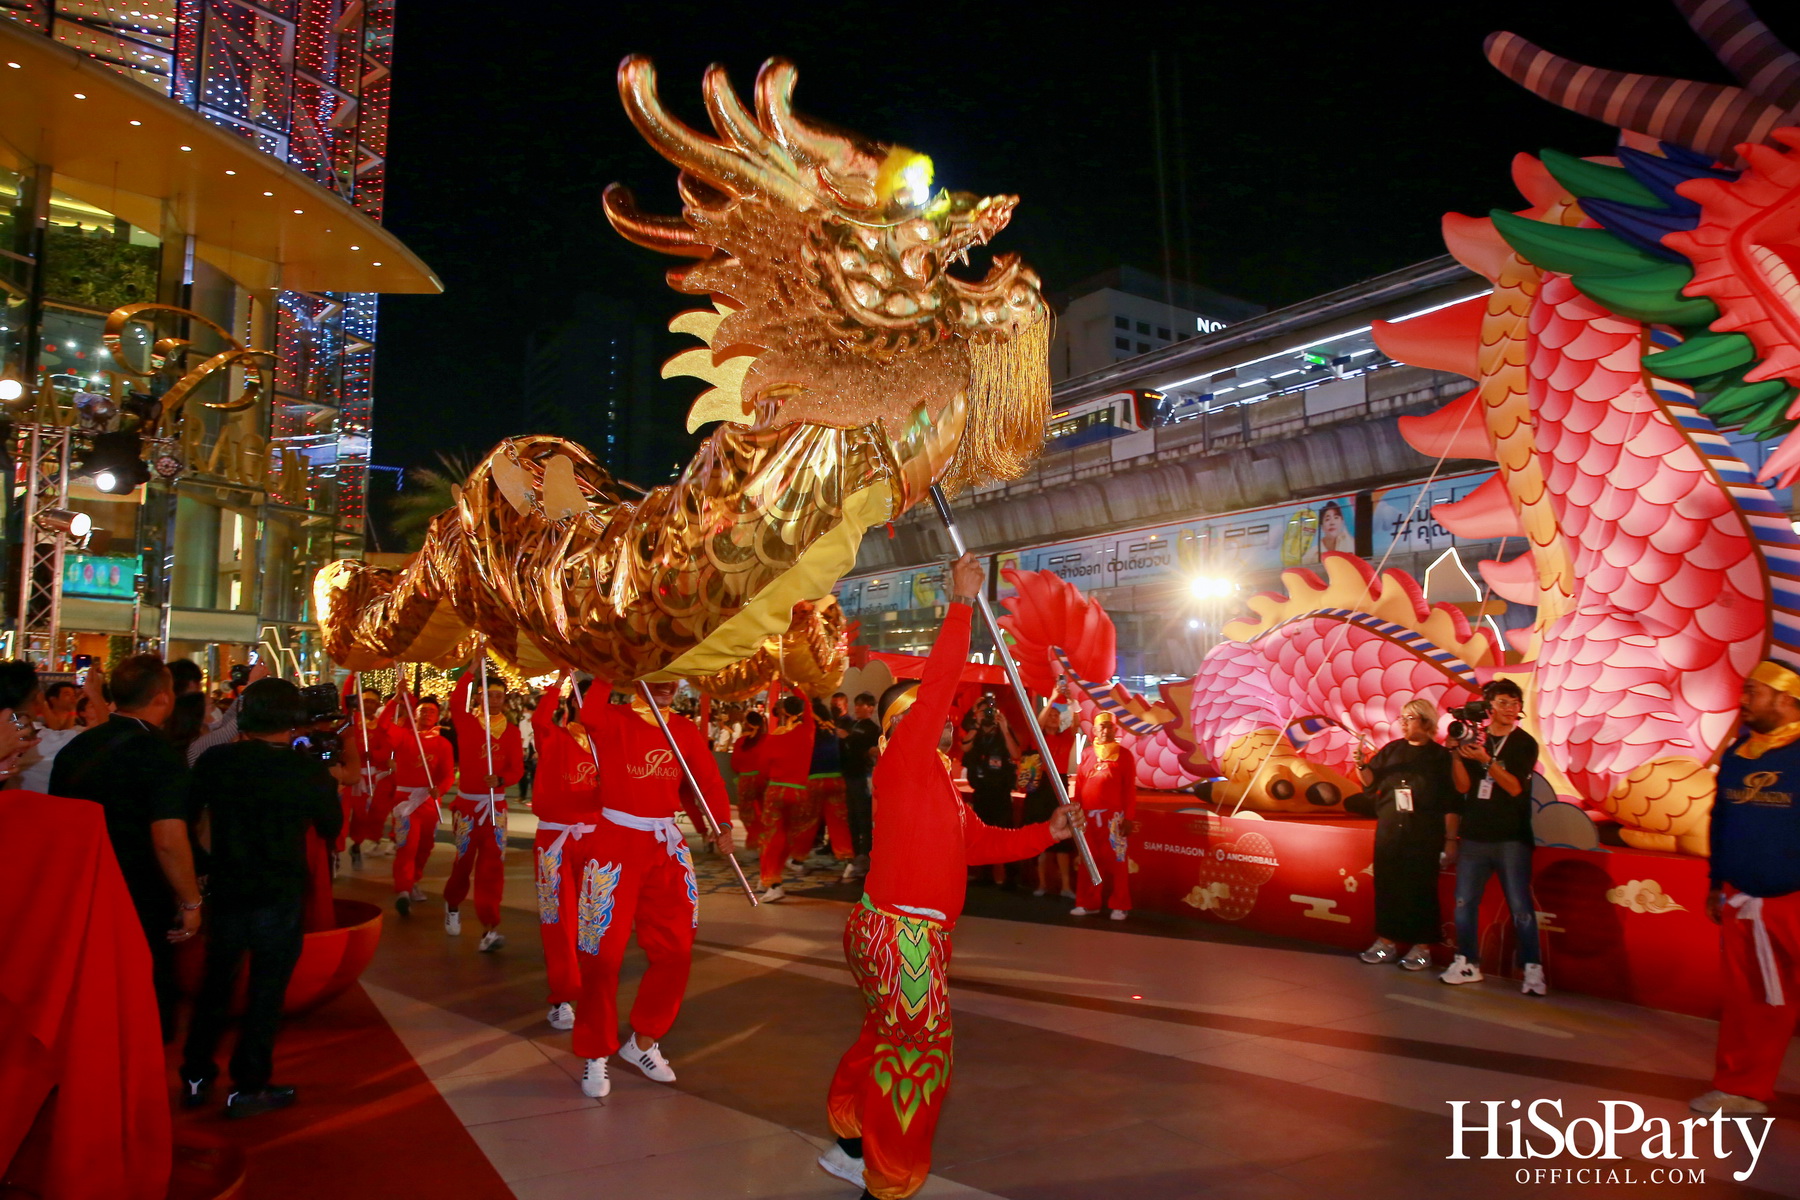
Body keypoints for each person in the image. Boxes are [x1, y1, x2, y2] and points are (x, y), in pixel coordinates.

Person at [817, 555, 1081, 1198]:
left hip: (898, 932)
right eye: (931, 713)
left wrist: (1046, 834)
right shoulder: (903, 758)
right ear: (904, 723)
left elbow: (975, 843)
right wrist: (961, 603)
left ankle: (850, 1136)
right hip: (902, 937)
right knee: (920, 1056)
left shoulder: (935, 777)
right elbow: (937, 685)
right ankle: (888, 1180)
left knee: (885, 1039)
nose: (949, 720)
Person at [177, 678, 346, 1119]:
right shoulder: (305, 769)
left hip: (229, 886)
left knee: (216, 984)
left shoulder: (216, 760)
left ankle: (195, 1075)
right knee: (265, 992)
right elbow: (331, 826)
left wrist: (201, 862)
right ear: (292, 719)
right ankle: (248, 1084)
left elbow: (183, 817)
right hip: (280, 891)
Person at [570, 679, 733, 1099]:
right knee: (601, 953)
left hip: (665, 846)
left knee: (677, 948)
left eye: (672, 677)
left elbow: (707, 781)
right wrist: (612, 667)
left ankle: (643, 1041)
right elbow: (587, 713)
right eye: (656, 674)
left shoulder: (683, 729)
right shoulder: (613, 718)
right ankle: (595, 1051)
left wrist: (722, 824)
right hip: (615, 842)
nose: (665, 685)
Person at [49, 654, 199, 1039]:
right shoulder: (161, 754)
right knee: (143, 992)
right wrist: (191, 901)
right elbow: (168, 839)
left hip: (79, 887)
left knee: (86, 990)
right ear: (163, 698)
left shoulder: (77, 749)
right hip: (139, 891)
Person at [1689, 660, 1800, 1118]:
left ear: (1787, 699)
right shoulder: (1738, 753)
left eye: (1754, 691)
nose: (1744, 700)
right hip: (1742, 899)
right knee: (1747, 1001)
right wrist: (1717, 881)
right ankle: (1742, 1089)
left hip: (1795, 898)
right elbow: (1721, 820)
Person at [1441, 679, 1544, 993]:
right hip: (1474, 836)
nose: (1511, 709)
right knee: (1463, 902)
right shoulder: (1477, 740)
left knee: (1520, 906)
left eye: (1515, 703)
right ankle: (1467, 961)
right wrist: (1457, 756)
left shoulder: (1524, 743)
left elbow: (1514, 787)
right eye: (1504, 703)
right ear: (1489, 708)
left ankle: (1532, 970)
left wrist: (1486, 760)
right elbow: (1462, 788)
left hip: (1511, 837)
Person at [1349, 698, 1458, 971]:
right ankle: (1386, 942)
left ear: (1426, 722)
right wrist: (1361, 765)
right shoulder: (1392, 750)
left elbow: (1452, 803)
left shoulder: (1440, 758)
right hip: (1390, 832)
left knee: (1421, 891)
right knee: (1386, 888)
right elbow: (1370, 783)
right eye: (1402, 718)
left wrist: (1450, 840)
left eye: (1409, 718)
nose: (1404, 723)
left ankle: (1422, 948)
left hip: (1424, 835)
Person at [529, 672, 603, 1032]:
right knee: (558, 920)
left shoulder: (608, 744)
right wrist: (559, 679)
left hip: (595, 841)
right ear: (573, 701)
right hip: (555, 842)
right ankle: (561, 996)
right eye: (584, 698)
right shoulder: (553, 736)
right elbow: (538, 719)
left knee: (592, 919)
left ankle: (588, 986)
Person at [443, 668, 525, 951]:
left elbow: (518, 769)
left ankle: (490, 927)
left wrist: (502, 780)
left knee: (492, 867)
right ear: (479, 698)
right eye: (488, 695)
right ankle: (453, 903)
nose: (493, 699)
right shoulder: (467, 723)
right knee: (464, 862)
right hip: (467, 807)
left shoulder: (512, 732)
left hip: (495, 808)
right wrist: (470, 670)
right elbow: (455, 701)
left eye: (498, 695)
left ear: (504, 699)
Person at [385, 690, 454, 914]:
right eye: (423, 710)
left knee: (424, 847)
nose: (427, 714)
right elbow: (383, 725)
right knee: (407, 845)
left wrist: (440, 789)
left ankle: (413, 880)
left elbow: (448, 775)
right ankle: (403, 890)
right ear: (415, 714)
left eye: (432, 711)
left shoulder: (443, 744)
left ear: (438, 716)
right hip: (405, 801)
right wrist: (395, 701)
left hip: (428, 802)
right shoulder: (404, 736)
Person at [1069, 711, 1137, 919]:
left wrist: (1129, 818)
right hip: (1087, 818)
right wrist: (1076, 813)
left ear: (1115, 730)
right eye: (1102, 727)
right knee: (1088, 861)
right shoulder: (1088, 754)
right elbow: (1079, 787)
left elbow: (1129, 790)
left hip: (1113, 820)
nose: (1106, 730)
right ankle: (1087, 903)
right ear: (1095, 730)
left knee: (1117, 862)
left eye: (1110, 727)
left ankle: (1120, 905)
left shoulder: (1125, 756)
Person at [756, 694, 816, 902]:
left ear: (783, 713)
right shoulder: (808, 731)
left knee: (772, 837)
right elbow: (807, 707)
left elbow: (762, 769)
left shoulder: (774, 737)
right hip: (800, 792)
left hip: (777, 792)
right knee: (788, 837)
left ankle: (773, 882)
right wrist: (796, 686)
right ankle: (768, 877)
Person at [1021, 693, 1077, 899]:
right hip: (1039, 787)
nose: (1053, 718)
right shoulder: (1038, 739)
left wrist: (1070, 703)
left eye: (1056, 716)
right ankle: (1042, 884)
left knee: (1062, 841)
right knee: (1040, 835)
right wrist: (1053, 698)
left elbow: (1075, 722)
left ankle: (1065, 886)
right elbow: (1037, 724)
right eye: (1050, 715)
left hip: (1058, 787)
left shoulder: (1066, 737)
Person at [961, 694, 1020, 885]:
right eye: (983, 712)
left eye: (990, 712)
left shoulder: (1003, 732)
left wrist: (1003, 727)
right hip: (981, 792)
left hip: (1001, 792)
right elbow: (965, 748)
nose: (987, 715)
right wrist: (976, 724)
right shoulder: (975, 733)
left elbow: (1016, 753)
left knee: (1005, 835)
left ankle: (1010, 878)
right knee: (982, 835)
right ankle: (985, 876)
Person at [840, 693, 881, 882]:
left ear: (871, 708)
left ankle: (865, 857)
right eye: (856, 705)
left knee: (863, 817)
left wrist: (849, 739)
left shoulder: (873, 729)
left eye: (862, 705)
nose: (857, 708)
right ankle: (855, 854)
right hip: (848, 775)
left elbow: (873, 751)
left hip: (862, 776)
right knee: (852, 818)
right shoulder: (853, 725)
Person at [808, 698, 854, 865]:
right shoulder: (835, 731)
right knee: (838, 821)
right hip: (836, 779)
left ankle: (797, 857)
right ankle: (847, 857)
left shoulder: (810, 731)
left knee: (808, 821)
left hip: (814, 780)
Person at [732, 710, 768, 858]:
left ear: (747, 724)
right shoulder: (767, 739)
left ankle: (755, 839)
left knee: (747, 814)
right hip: (763, 780)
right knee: (764, 812)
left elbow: (734, 763)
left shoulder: (741, 742)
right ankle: (763, 840)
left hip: (745, 781)